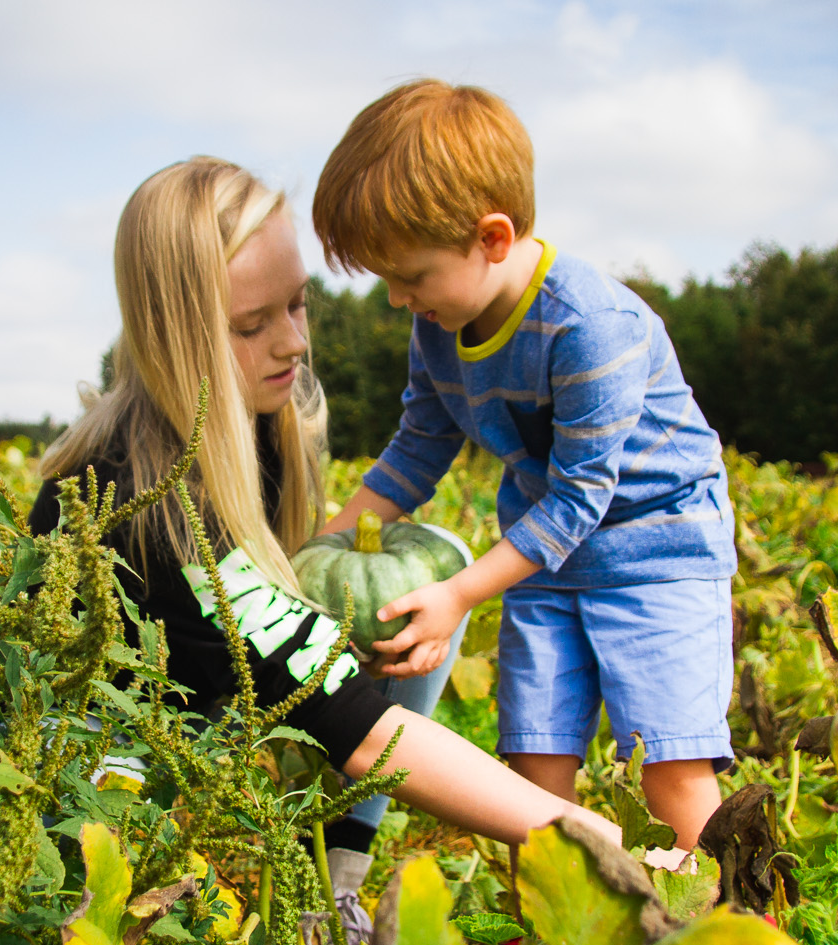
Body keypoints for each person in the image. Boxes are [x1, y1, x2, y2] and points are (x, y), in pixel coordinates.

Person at [27, 156, 620, 939]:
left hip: (203, 711)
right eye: (252, 325)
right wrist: (592, 840)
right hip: (99, 767)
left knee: (412, 575)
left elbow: (295, 652)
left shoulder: (261, 419)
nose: (294, 342)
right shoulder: (153, 502)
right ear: (176, 337)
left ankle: (331, 885)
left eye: (298, 305)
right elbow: (364, 730)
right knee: (119, 895)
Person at [311, 81, 738, 850]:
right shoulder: (440, 323)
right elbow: (418, 446)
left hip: (657, 550)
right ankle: (550, 937)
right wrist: (318, 550)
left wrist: (458, 594)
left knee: (669, 762)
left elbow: (581, 496)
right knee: (533, 757)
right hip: (540, 558)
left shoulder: (587, 327)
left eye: (409, 276)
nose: (397, 300)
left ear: (493, 238)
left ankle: (720, 936)